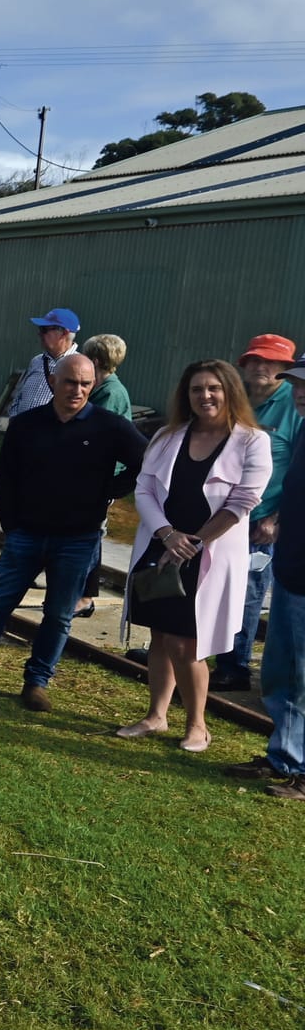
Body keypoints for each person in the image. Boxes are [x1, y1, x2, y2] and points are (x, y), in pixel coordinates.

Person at [0, 355, 145, 710]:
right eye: (70, 382)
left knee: (59, 614)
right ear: (54, 381)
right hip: (27, 534)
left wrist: (109, 489)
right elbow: (7, 478)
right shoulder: (26, 425)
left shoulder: (109, 427)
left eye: (85, 384)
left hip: (78, 538)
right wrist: (10, 522)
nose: (77, 390)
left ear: (93, 385)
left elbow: (147, 461)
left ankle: (37, 682)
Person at [117, 360, 272, 753]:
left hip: (206, 553)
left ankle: (198, 725)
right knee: (159, 635)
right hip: (162, 545)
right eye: (196, 389)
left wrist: (195, 542)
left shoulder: (252, 441)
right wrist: (167, 534)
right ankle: (156, 715)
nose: (205, 396)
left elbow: (243, 500)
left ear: (229, 392)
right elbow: (145, 489)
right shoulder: (169, 436)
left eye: (213, 388)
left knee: (187, 643)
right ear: (186, 396)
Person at [213, 335, 301, 691]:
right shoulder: (237, 402)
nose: (262, 368)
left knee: (247, 593)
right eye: (255, 361)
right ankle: (209, 653)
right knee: (215, 588)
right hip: (224, 516)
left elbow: (298, 468)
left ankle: (235, 667)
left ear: (285, 371)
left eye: (272, 363)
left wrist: (276, 518)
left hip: (262, 522)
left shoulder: (294, 407)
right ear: (244, 366)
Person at [238, 362, 305, 796]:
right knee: (281, 668)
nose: (299, 391)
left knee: (301, 673)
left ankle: (298, 767)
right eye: (297, 384)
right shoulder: (302, 431)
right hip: (289, 567)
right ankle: (283, 754)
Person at [71, 333, 132, 616]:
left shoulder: (110, 393)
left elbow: (96, 436)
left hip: (99, 478)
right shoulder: (102, 388)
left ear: (94, 360)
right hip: (86, 478)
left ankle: (85, 596)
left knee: (91, 536)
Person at [7, 307, 81, 417]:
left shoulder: (80, 366)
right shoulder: (37, 361)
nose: (39, 334)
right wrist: (14, 420)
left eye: (44, 330)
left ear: (64, 333)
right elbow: (20, 396)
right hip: (21, 430)